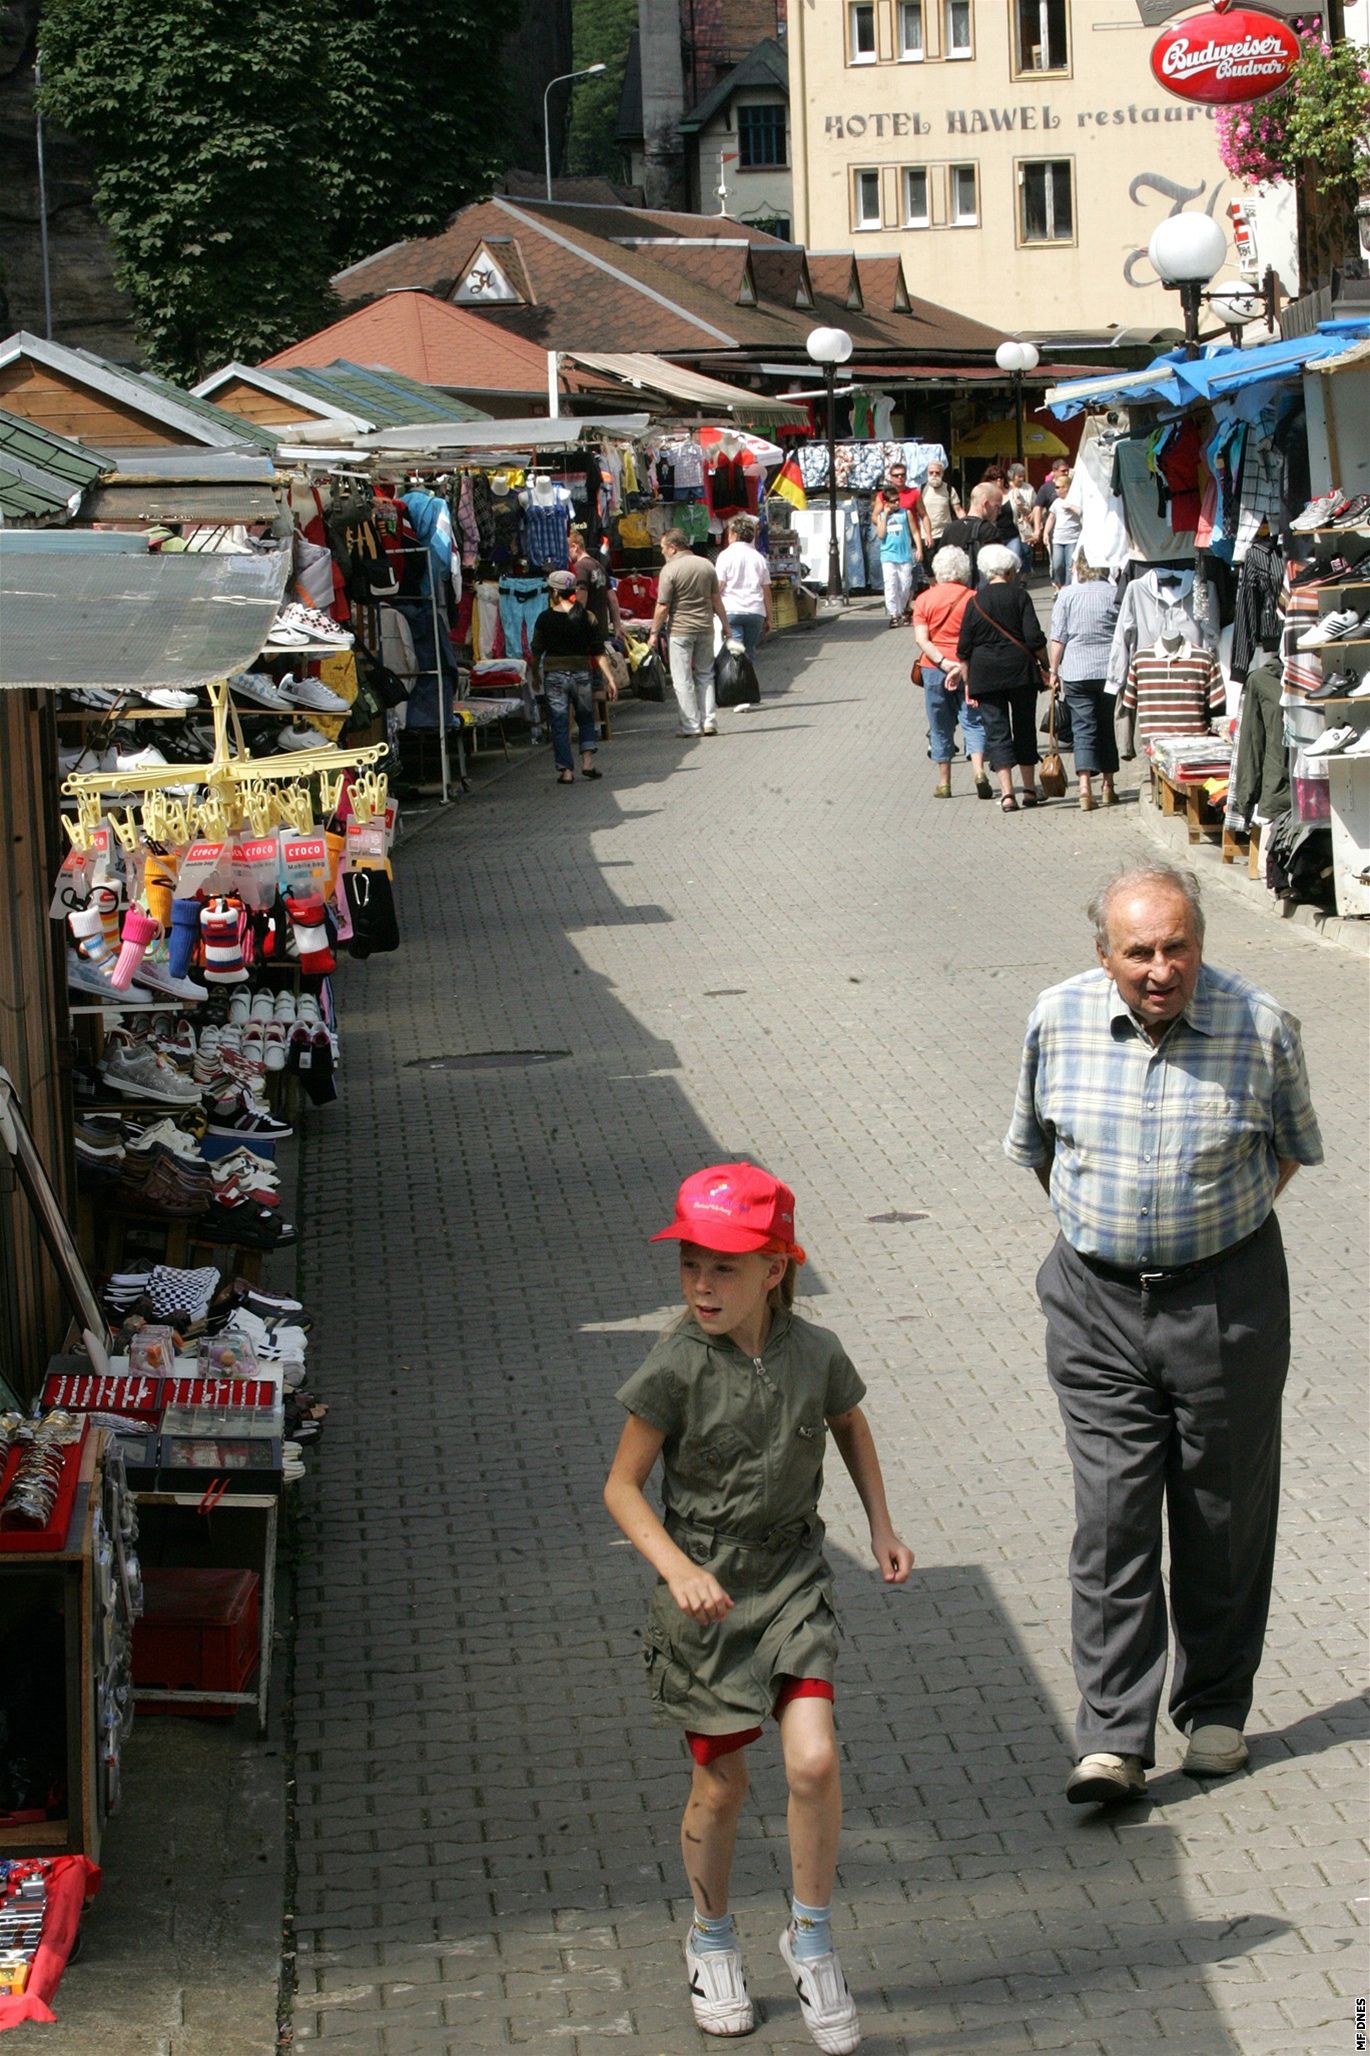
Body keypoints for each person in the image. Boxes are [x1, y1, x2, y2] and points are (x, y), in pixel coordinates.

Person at [1004, 866, 1323, 1807]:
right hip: (1096, 1305)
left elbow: (1295, 1147)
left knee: (1222, 1512)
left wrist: (1205, 1235)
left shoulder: (1260, 1025)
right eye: (1138, 951)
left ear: (1200, 943)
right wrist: (1115, 1234)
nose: (1160, 968)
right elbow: (1039, 1150)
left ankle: (1217, 1708)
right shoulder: (1055, 1020)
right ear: (1102, 955)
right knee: (1112, 1519)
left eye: (1177, 946)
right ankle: (1112, 1738)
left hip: (1228, 1299)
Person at [605, 1162, 913, 2053]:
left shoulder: (816, 1352)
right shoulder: (674, 1365)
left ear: (776, 1269)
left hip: (793, 1581)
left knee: (814, 1763)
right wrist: (676, 1570)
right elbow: (623, 1488)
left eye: (725, 1268)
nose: (703, 1285)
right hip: (706, 1602)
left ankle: (811, 1941)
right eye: (690, 1265)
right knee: (723, 1785)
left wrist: (882, 1525)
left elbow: (849, 1421)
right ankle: (711, 1938)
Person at [956, 541, 1048, 811]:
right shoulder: (1020, 596)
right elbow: (1033, 637)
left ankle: (1008, 794)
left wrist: (968, 683)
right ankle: (1029, 790)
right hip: (1021, 673)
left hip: (985, 675)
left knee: (996, 733)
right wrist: (1048, 666)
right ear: (1010, 570)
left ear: (985, 572)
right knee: (1024, 728)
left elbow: (964, 648)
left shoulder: (974, 602)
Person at [911, 543, 990, 799]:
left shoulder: (924, 599)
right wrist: (960, 663)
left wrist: (943, 663)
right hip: (969, 667)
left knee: (940, 724)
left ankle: (944, 782)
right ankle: (979, 771)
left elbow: (922, 640)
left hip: (934, 669)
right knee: (973, 720)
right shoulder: (974, 598)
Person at [529, 568, 618, 784]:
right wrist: (610, 679)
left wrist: (535, 674)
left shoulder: (545, 618)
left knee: (559, 723)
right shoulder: (587, 617)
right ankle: (587, 763)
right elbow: (598, 651)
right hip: (581, 674)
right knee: (586, 717)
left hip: (555, 677)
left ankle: (566, 771)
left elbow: (536, 650)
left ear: (554, 592)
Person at [1049, 556, 1122, 811]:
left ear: (1077, 567)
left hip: (1076, 671)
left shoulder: (1066, 596)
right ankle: (1108, 785)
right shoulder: (1114, 593)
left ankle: (1083, 788)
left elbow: (1059, 637)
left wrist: (1053, 670)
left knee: (1082, 728)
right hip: (1108, 670)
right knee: (1105, 725)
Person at [648, 530, 733, 738]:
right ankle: (709, 721)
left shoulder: (669, 570)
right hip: (705, 627)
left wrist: (653, 632)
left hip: (680, 630)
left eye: (663, 548)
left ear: (673, 547)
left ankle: (691, 725)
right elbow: (716, 599)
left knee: (682, 679)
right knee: (705, 675)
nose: (662, 552)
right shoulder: (706, 565)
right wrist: (726, 626)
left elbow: (663, 605)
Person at [714, 515, 772, 660]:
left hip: (731, 610)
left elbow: (719, 585)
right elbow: (766, 590)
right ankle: (747, 680)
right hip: (756, 612)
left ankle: (737, 681)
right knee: (749, 651)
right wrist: (769, 617)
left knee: (736, 653)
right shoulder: (759, 557)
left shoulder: (725, 556)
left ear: (734, 534)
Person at [873, 486, 920, 628]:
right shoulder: (882, 516)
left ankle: (903, 608)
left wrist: (919, 548)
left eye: (898, 500)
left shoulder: (906, 514)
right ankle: (894, 614)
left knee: (905, 585)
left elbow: (915, 531)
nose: (897, 503)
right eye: (893, 501)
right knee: (890, 584)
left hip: (904, 555)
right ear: (886, 503)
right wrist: (886, 515)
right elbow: (881, 535)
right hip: (888, 555)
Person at [567, 526, 622, 640]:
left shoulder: (580, 568)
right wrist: (618, 627)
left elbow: (581, 601)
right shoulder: (598, 565)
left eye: (566, 550)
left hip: (587, 633)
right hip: (601, 630)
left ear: (574, 547)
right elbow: (612, 599)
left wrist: (572, 629)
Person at [940, 483, 1002, 585]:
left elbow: (940, 563)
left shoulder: (950, 528)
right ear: (985, 504)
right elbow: (996, 567)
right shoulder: (989, 530)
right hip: (978, 592)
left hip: (953, 590)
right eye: (997, 507)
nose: (999, 512)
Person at [1042, 473, 1082, 589]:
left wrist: (1071, 507)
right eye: (1056, 487)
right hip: (1058, 538)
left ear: (1067, 488)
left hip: (1073, 538)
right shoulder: (1056, 502)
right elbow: (1051, 517)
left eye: (1059, 487)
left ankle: (1068, 587)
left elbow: (1081, 512)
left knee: (1070, 565)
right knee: (1057, 565)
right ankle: (1059, 584)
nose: (1056, 490)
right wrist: (1045, 533)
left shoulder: (1075, 500)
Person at [885, 463, 934, 555]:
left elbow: (924, 515)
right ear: (891, 477)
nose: (900, 477)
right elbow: (875, 517)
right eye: (896, 475)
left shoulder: (914, 493)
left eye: (902, 475)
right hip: (891, 538)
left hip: (911, 537)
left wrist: (928, 534)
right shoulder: (883, 495)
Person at [1031, 457, 1071, 550]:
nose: (1066, 473)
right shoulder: (1046, 488)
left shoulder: (1073, 486)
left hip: (1072, 529)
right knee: (1057, 563)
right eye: (1063, 471)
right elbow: (1038, 508)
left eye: (1067, 470)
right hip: (1054, 529)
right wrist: (1037, 529)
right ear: (1054, 471)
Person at [920, 460, 963, 545]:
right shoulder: (921, 489)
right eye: (931, 472)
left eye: (937, 472)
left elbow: (958, 510)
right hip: (926, 537)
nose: (934, 475)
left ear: (942, 474)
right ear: (927, 474)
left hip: (945, 535)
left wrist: (967, 524)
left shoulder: (949, 489)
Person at [1005, 464, 1036, 574]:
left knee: (1027, 551)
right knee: (1015, 553)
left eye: (1023, 476)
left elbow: (1035, 505)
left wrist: (1033, 513)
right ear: (1012, 476)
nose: (1022, 479)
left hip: (1024, 524)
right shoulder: (1006, 488)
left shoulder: (1029, 488)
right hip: (1010, 525)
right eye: (1019, 476)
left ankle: (1023, 576)